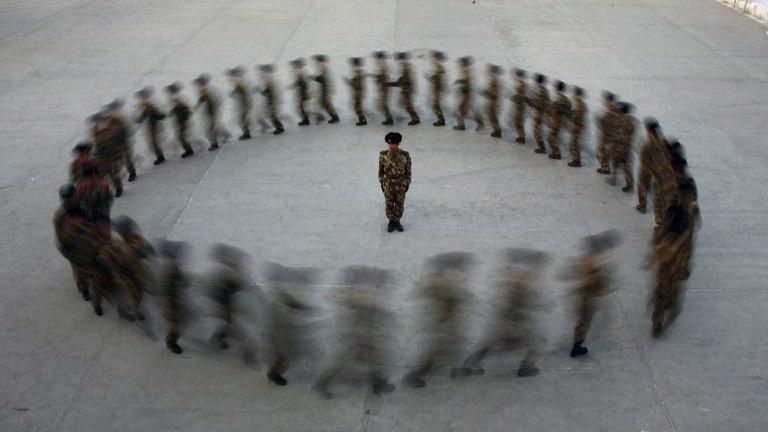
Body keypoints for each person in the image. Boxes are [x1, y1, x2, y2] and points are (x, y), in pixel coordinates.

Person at [456, 248, 546, 378]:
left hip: (506, 320)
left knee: (492, 344)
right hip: (511, 321)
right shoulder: (521, 280)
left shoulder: (517, 274)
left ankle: (467, 366)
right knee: (535, 342)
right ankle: (525, 368)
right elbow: (517, 298)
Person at [313, 266, 396, 399]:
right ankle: (321, 384)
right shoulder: (355, 294)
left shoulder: (365, 292)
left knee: (375, 358)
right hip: (352, 338)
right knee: (341, 362)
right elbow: (356, 305)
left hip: (366, 334)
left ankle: (378, 382)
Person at [402, 252, 475, 388]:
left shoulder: (445, 280)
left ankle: (456, 368)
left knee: (453, 345)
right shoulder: (440, 282)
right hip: (440, 324)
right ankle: (413, 376)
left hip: (449, 322)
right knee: (434, 351)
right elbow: (427, 295)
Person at [562, 230, 620, 358]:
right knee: (584, 321)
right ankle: (576, 347)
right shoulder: (597, 263)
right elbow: (595, 281)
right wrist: (607, 287)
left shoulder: (587, 259)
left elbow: (571, 271)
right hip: (589, 298)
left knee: (582, 322)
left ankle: (577, 344)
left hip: (585, 297)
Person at [157, 240, 190, 354]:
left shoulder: (172, 265)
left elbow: (180, 277)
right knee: (175, 327)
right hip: (169, 304)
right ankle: (171, 342)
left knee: (178, 324)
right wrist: (172, 309)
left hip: (174, 301)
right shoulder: (168, 267)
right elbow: (165, 291)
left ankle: (172, 337)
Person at [378, 132, 411, 232]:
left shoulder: (404, 156)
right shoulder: (383, 156)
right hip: (388, 185)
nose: (392, 146)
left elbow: (408, 172)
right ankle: (391, 221)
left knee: (400, 204)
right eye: (390, 144)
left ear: (398, 144)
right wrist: (382, 183)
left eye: (394, 144)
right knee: (389, 203)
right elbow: (381, 171)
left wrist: (407, 183)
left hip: (401, 185)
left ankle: (397, 220)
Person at [193, 73, 229, 151]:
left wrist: (213, 114)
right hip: (209, 114)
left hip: (212, 114)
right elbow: (202, 99)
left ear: (204, 83)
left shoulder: (209, 91)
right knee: (214, 128)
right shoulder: (204, 91)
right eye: (198, 84)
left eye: (200, 84)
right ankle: (225, 134)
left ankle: (214, 144)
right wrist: (197, 106)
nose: (198, 86)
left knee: (209, 130)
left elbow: (216, 101)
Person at [608, 102, 636, 192]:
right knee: (627, 166)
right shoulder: (632, 121)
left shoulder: (619, 121)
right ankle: (630, 184)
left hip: (619, 146)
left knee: (615, 163)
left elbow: (616, 134)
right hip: (628, 146)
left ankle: (613, 179)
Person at [135, 86, 167, 165]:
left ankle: (160, 157)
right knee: (153, 141)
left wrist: (139, 120)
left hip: (153, 125)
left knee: (153, 141)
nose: (141, 98)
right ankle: (160, 155)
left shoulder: (148, 104)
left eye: (142, 96)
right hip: (153, 124)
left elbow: (145, 114)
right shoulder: (148, 103)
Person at [389, 52, 420, 125]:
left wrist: (394, 83)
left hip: (407, 90)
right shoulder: (404, 67)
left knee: (407, 105)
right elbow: (402, 80)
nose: (398, 61)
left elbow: (404, 80)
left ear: (403, 59)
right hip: (406, 89)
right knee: (402, 104)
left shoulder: (406, 68)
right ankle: (414, 117)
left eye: (400, 60)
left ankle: (415, 119)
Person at [164, 82, 194, 158]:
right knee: (181, 136)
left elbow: (185, 109)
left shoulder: (178, 98)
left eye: (170, 90)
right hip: (180, 121)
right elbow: (178, 108)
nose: (169, 92)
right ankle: (188, 149)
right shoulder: (175, 98)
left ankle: (189, 150)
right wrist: (172, 112)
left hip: (182, 121)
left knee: (181, 136)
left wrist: (181, 117)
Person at [453, 56, 482, 131]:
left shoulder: (466, 71)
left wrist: (459, 82)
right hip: (465, 94)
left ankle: (462, 125)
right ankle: (479, 122)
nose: (459, 64)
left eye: (461, 63)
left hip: (466, 94)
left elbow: (466, 82)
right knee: (466, 109)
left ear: (464, 63)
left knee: (461, 108)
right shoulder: (466, 70)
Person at [256, 64, 285, 135]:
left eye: (264, 72)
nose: (263, 74)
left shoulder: (270, 81)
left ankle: (279, 128)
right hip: (271, 101)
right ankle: (280, 126)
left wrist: (259, 90)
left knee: (272, 116)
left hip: (272, 102)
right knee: (272, 115)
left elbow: (267, 93)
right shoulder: (269, 80)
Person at [546, 80, 571, 159]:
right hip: (557, 121)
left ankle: (557, 153)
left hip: (557, 121)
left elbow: (558, 110)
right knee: (552, 137)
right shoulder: (564, 99)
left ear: (557, 89)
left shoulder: (561, 99)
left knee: (551, 137)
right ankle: (556, 152)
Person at [311, 54, 340, 124]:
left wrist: (314, 78)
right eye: (317, 63)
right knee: (319, 103)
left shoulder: (325, 70)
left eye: (319, 62)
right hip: (323, 90)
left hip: (326, 91)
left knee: (326, 104)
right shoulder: (322, 69)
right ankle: (320, 116)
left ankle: (335, 117)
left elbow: (323, 79)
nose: (318, 64)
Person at [227, 66, 253, 140]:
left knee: (242, 119)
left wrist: (248, 103)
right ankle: (247, 131)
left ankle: (246, 133)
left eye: (234, 76)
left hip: (244, 105)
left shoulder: (241, 85)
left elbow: (246, 94)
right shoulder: (238, 85)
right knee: (242, 119)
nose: (232, 79)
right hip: (242, 105)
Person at [595, 92, 619, 174]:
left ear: (609, 101)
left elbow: (606, 124)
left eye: (605, 101)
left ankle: (606, 168)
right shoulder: (612, 110)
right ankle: (604, 166)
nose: (604, 102)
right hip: (607, 135)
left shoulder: (612, 112)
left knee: (603, 152)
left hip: (608, 135)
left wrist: (600, 120)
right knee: (602, 151)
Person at [529, 73, 550, 154]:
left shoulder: (538, 90)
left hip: (539, 112)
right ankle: (541, 146)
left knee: (536, 130)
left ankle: (542, 147)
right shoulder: (545, 90)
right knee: (537, 130)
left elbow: (538, 102)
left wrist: (531, 102)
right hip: (541, 112)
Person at [371, 51, 394, 125]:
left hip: (384, 88)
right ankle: (389, 118)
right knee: (381, 104)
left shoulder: (383, 66)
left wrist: (378, 79)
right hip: (383, 88)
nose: (376, 60)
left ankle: (390, 119)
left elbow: (383, 77)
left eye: (377, 58)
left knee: (382, 104)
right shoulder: (382, 65)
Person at [567, 86, 587, 167]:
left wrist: (570, 116)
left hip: (576, 126)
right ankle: (576, 159)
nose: (572, 95)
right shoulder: (581, 103)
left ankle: (577, 160)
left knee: (573, 144)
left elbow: (577, 116)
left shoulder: (578, 103)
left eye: (573, 93)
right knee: (574, 143)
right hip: (578, 126)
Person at [482, 64, 503, 138]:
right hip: (493, 101)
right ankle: (497, 130)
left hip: (493, 102)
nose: (488, 72)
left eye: (490, 71)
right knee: (493, 116)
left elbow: (493, 93)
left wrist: (486, 92)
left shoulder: (494, 80)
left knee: (492, 116)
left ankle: (497, 131)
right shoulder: (494, 79)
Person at [426, 50, 447, 126]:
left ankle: (441, 120)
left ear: (437, 58)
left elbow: (438, 79)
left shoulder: (439, 67)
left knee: (435, 105)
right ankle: (441, 119)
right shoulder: (438, 67)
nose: (432, 59)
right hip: (436, 88)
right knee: (435, 104)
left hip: (437, 89)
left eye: (434, 58)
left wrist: (430, 78)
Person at [345, 57, 367, 126]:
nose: (352, 65)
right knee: (357, 106)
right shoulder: (358, 72)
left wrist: (348, 81)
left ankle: (362, 119)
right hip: (358, 92)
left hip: (358, 93)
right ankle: (362, 118)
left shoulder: (358, 72)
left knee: (357, 106)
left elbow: (357, 84)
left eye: (353, 64)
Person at [289, 58, 311, 126]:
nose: (294, 68)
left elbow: (301, 83)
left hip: (303, 93)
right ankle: (305, 119)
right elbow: (299, 82)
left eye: (295, 66)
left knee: (301, 107)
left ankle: (306, 120)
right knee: (302, 107)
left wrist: (294, 85)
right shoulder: (300, 72)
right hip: (302, 93)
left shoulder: (301, 72)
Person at [511, 68, 529, 144]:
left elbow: (521, 96)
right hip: (518, 105)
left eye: (517, 76)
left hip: (520, 106)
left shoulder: (522, 85)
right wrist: (512, 73)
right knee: (517, 122)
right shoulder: (521, 83)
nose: (516, 77)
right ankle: (520, 136)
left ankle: (522, 137)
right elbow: (515, 80)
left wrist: (515, 97)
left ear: (520, 76)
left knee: (519, 122)